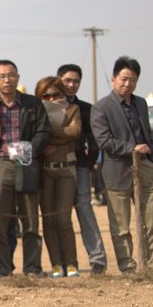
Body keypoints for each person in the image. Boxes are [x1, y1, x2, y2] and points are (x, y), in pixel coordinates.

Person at [91, 56, 153, 272]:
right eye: (123, 79)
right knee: (120, 225)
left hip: (144, 167)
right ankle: (127, 266)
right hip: (117, 171)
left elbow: (147, 134)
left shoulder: (140, 103)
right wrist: (132, 148)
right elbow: (104, 141)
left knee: (152, 218)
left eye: (132, 80)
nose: (127, 84)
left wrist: (150, 159)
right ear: (113, 79)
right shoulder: (101, 107)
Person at [0, 60, 51, 277]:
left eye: (11, 75)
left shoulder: (33, 103)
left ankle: (32, 268)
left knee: (30, 222)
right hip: (1, 167)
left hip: (27, 164)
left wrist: (29, 148)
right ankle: (2, 270)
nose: (7, 80)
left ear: (18, 78)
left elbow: (44, 131)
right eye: (2, 76)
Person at [58, 64, 108, 276]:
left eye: (76, 81)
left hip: (79, 167)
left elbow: (94, 141)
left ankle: (98, 261)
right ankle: (62, 263)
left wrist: (87, 163)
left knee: (85, 211)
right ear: (59, 80)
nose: (72, 85)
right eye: (67, 80)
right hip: (54, 168)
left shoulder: (87, 109)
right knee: (60, 217)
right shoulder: (46, 106)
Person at [36, 76, 82, 278]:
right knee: (48, 220)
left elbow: (75, 131)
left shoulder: (72, 109)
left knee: (64, 219)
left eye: (55, 94)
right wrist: (46, 143)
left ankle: (71, 263)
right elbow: (36, 137)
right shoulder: (37, 112)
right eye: (46, 96)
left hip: (66, 170)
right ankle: (56, 264)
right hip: (45, 170)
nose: (52, 99)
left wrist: (49, 133)